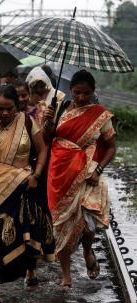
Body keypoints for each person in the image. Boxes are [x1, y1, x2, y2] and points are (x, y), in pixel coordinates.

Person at [0, 84, 55, 303]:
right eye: (1, 109)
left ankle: (30, 271)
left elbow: (42, 149)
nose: (6, 113)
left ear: (17, 106)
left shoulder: (27, 121)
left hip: (26, 185)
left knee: (28, 231)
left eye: (10, 108)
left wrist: (36, 175)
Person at [43, 70, 116, 289]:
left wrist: (99, 170)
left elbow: (111, 147)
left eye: (86, 93)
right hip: (59, 174)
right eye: (76, 93)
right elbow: (47, 140)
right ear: (70, 91)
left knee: (86, 225)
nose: (81, 98)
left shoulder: (100, 115)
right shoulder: (60, 110)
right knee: (61, 225)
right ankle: (66, 275)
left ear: (93, 92)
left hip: (87, 174)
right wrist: (47, 122)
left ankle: (86, 250)